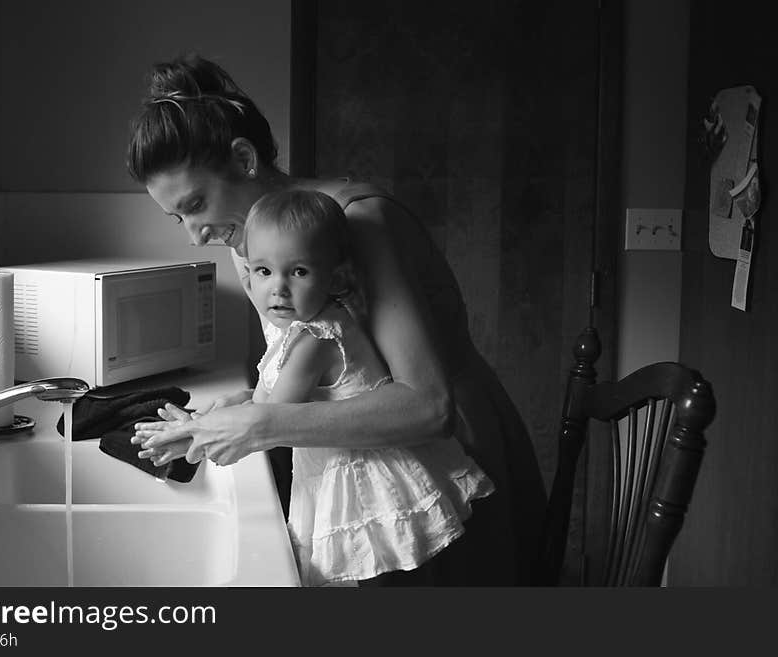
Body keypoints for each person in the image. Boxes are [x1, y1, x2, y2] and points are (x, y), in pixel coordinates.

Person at [127, 52, 547, 585]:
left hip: (449, 465)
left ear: (243, 158)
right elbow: (318, 368)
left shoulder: (358, 222)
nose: (194, 233)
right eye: (177, 217)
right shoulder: (250, 243)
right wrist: (222, 415)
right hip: (357, 471)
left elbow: (427, 405)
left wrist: (261, 424)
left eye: (196, 204)